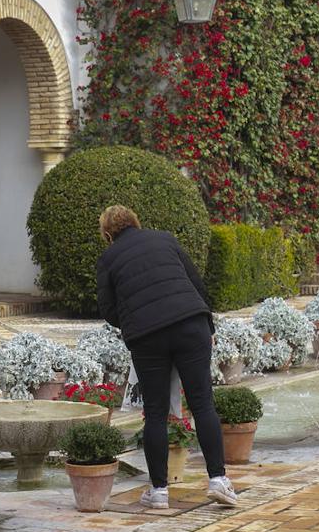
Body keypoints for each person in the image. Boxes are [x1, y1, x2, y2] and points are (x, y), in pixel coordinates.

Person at [95, 204, 237, 509]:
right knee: (202, 403)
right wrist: (208, 325)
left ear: (108, 234)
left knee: (155, 412)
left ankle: (159, 491)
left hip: (148, 338)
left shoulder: (108, 258)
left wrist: (136, 319)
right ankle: (218, 481)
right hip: (191, 323)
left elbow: (107, 309)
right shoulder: (165, 238)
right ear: (136, 221)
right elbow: (196, 283)